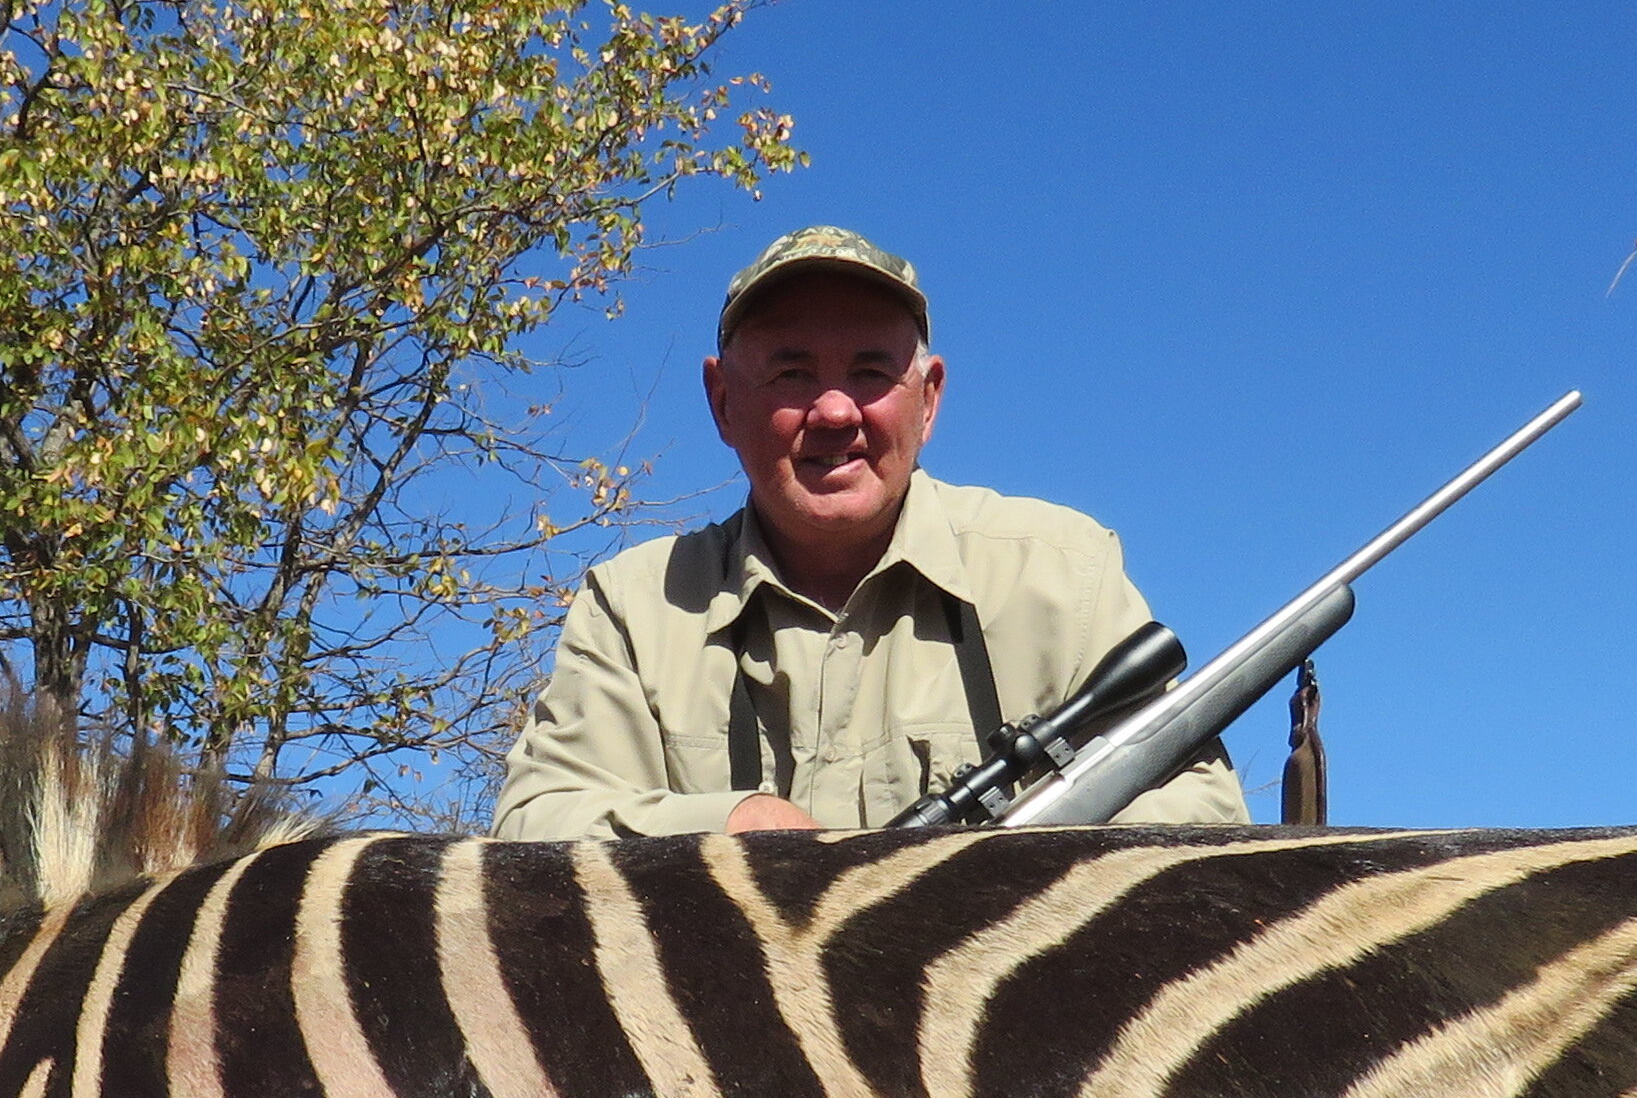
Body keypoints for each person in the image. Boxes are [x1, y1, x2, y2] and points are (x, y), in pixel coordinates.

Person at [492, 224, 1249, 837]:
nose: (833, 411)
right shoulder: (635, 607)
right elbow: (537, 823)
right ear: (723, 402)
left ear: (928, 400)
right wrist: (737, 827)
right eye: (790, 373)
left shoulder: (1063, 575)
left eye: (869, 372)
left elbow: (1198, 826)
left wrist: (1001, 885)